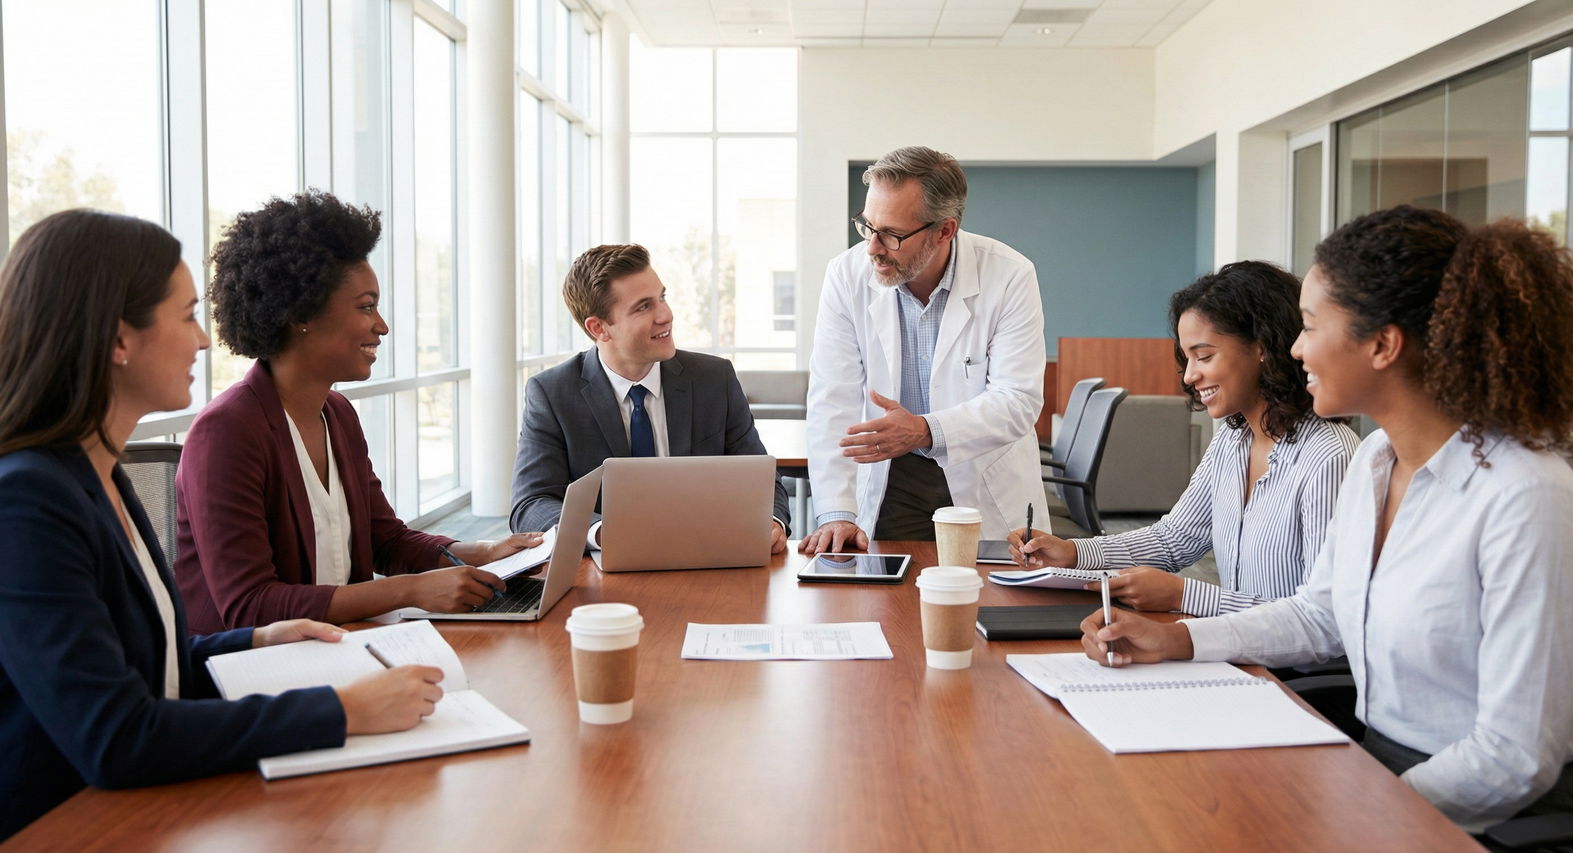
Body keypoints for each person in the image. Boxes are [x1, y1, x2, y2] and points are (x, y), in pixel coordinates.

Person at [1080, 205, 1573, 853]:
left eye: (1310, 327)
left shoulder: (1527, 496)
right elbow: (1320, 612)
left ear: (1382, 345)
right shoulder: (1377, 463)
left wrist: (1357, 810)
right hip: (1379, 768)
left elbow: (1514, 757)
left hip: (1501, 825)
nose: (1294, 349)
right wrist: (1178, 639)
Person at [0, 209, 444, 840]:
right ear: (117, 340)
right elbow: (117, 734)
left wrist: (257, 642)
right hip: (61, 834)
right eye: (185, 317)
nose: (205, 340)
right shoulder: (27, 503)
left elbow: (147, 663)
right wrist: (341, 711)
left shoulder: (97, 476)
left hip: (138, 811)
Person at [175, 191, 538, 633]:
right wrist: (410, 591)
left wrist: (480, 551)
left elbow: (385, 539)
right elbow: (250, 607)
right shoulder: (227, 432)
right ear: (301, 314)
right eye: (366, 307)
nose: (381, 325)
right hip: (254, 675)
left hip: (339, 646)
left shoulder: (337, 414)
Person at [1005, 262, 1359, 617]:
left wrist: (1184, 596)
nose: (1190, 376)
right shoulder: (1233, 441)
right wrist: (1074, 553)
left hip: (1289, 671)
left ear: (1262, 346)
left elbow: (1322, 619)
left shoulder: (1329, 455)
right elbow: (1174, 539)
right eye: (1187, 358)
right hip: (1238, 649)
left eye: (1203, 356)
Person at [801, 146, 1047, 550]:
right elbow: (833, 398)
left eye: (892, 235)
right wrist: (837, 512)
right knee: (889, 602)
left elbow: (1017, 400)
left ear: (944, 230)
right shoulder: (846, 276)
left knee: (991, 602)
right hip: (892, 477)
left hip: (982, 474)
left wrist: (923, 430)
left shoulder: (1009, 275)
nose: (873, 248)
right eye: (867, 226)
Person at [509, 243, 790, 552]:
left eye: (662, 297)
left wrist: (772, 521)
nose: (666, 315)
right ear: (599, 328)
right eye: (643, 306)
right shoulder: (552, 393)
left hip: (707, 557)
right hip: (606, 571)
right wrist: (604, 532)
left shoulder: (714, 379)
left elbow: (761, 477)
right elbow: (530, 505)